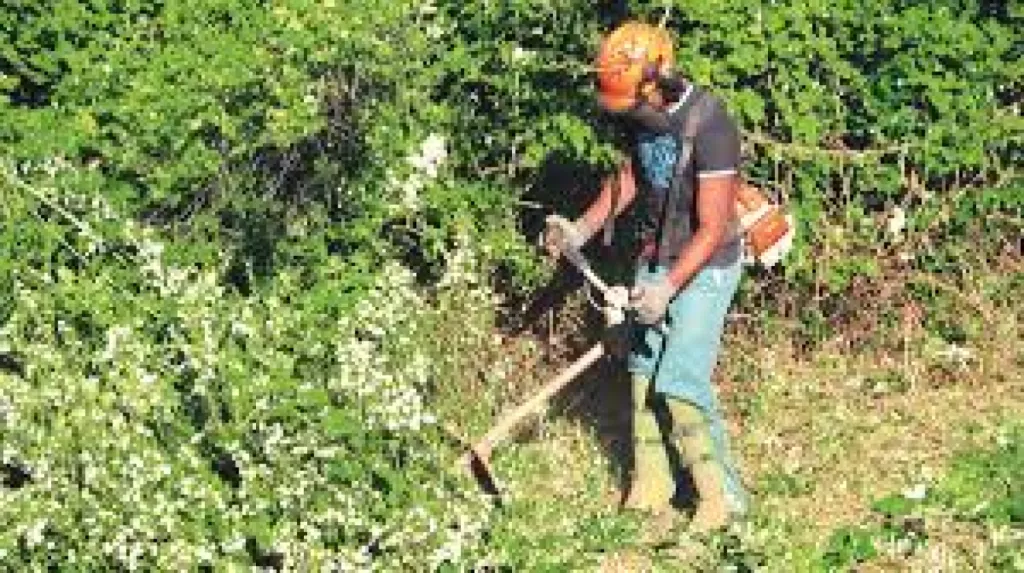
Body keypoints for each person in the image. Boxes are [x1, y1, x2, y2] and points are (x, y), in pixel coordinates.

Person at [544, 20, 747, 533]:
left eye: (632, 102)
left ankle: (720, 504)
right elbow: (634, 175)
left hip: (706, 264)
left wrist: (668, 287)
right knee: (642, 374)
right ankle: (653, 488)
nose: (627, 113)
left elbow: (714, 225)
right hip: (657, 256)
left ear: (656, 79)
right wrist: (582, 228)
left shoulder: (712, 124)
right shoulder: (644, 114)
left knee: (679, 382)